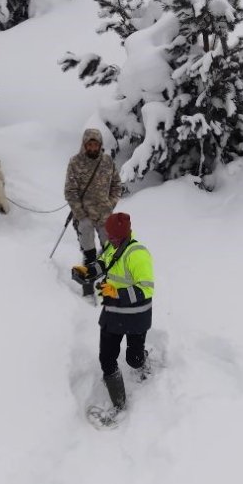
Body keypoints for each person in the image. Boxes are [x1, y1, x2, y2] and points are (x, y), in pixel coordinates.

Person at [73, 212, 154, 410]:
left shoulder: (138, 254)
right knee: (107, 359)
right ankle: (119, 404)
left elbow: (146, 289)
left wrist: (117, 293)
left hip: (136, 315)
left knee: (133, 360)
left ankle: (142, 360)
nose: (111, 240)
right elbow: (105, 263)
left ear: (126, 234)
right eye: (110, 236)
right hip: (113, 313)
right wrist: (89, 271)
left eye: (115, 237)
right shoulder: (111, 245)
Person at [64, 128, 122, 265]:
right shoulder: (75, 162)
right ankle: (89, 267)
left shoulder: (108, 161)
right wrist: (80, 214)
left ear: (100, 145)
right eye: (89, 144)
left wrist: (110, 204)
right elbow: (70, 191)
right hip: (84, 214)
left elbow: (117, 185)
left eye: (96, 144)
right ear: (84, 144)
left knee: (110, 250)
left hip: (104, 213)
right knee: (87, 243)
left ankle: (106, 268)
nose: (92, 148)